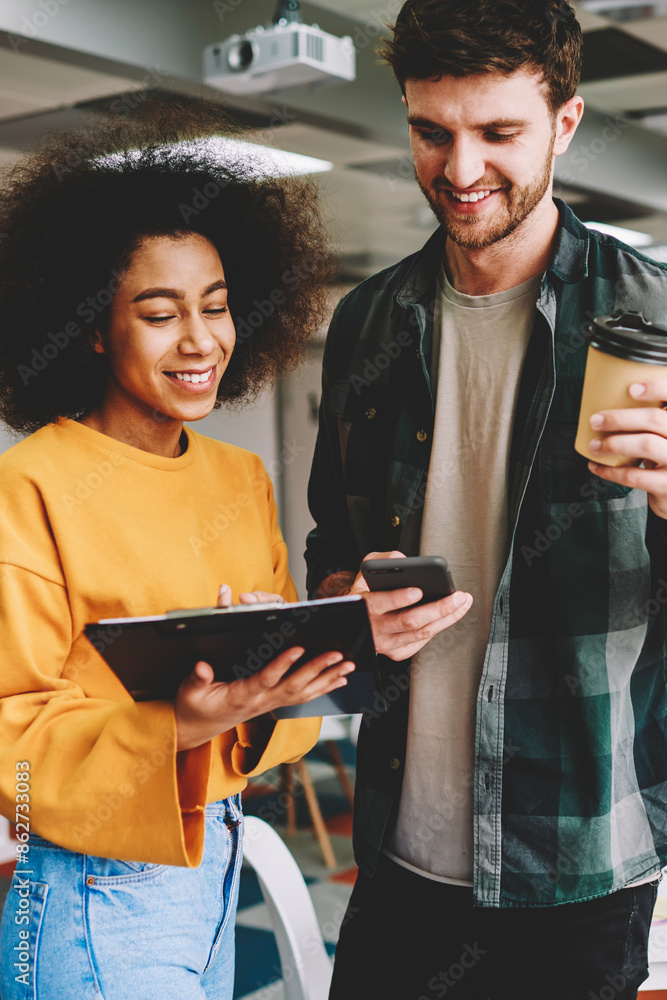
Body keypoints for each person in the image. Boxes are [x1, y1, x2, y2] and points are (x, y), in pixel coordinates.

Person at [305, 2, 667, 998]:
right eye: (431, 131)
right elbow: (329, 542)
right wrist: (347, 598)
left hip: (579, 863)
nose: (460, 171)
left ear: (565, 122)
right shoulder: (368, 323)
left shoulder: (654, 317)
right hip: (393, 850)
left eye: (498, 133)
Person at [0, 98, 353, 1000]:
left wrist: (310, 656)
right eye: (160, 314)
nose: (201, 342)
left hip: (214, 865)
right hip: (86, 888)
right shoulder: (31, 484)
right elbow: (15, 753)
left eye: (219, 308)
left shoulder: (240, 480)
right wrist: (186, 721)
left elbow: (282, 718)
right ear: (88, 324)